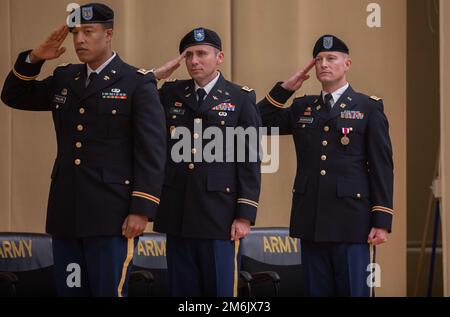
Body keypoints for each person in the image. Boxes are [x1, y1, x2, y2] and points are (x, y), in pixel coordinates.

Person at [1, 3, 166, 297]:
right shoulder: (66, 78)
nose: (79, 40)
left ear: (109, 34)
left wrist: (142, 210)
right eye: (76, 33)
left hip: (112, 216)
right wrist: (35, 57)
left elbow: (152, 151)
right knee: (71, 292)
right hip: (67, 213)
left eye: (88, 32)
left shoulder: (136, 82)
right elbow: (14, 95)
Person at [258, 34, 394, 297]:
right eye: (319, 59)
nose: (323, 64)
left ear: (347, 64)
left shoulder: (368, 107)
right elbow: (257, 122)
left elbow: (382, 166)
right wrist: (285, 89)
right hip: (312, 220)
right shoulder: (303, 107)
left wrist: (382, 219)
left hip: (351, 222)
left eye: (331, 59)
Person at [151, 27, 261, 297]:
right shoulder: (170, 93)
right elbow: (136, 98)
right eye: (188, 55)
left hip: (219, 214)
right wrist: (155, 76)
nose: (194, 61)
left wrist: (245, 215)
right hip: (178, 210)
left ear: (219, 57)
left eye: (202, 54)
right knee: (183, 291)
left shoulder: (239, 98)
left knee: (219, 290)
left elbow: (249, 161)